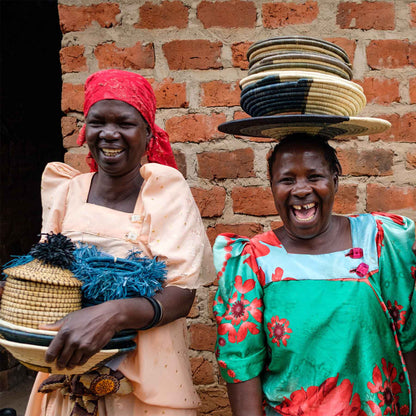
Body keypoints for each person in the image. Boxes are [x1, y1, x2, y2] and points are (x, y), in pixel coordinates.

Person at [24, 69, 213, 416]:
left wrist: (113, 314)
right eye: (97, 122)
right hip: (67, 366)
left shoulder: (163, 192)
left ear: (148, 133)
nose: (109, 134)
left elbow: (181, 296)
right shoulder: (67, 190)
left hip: (142, 380)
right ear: (85, 130)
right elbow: (48, 271)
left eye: (125, 123)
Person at [213, 133, 416, 416]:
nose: (300, 190)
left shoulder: (379, 241)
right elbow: (241, 363)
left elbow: (409, 337)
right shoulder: (254, 261)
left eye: (314, 176)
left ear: (335, 180)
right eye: (287, 180)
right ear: (272, 186)